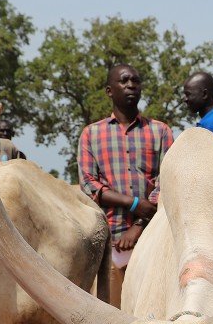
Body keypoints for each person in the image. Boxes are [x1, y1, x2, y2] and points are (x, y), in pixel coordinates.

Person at [77, 63, 174, 308]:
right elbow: (88, 184)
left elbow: (168, 180)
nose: (131, 85)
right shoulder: (91, 134)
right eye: (124, 81)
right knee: (112, 311)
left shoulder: (160, 131)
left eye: (135, 81)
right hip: (109, 244)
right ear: (110, 91)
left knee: (153, 310)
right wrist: (133, 203)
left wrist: (139, 226)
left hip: (154, 241)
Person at [182, 72, 213, 149]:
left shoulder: (211, 125)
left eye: (188, 94)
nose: (185, 99)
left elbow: (206, 159)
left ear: (204, 94)